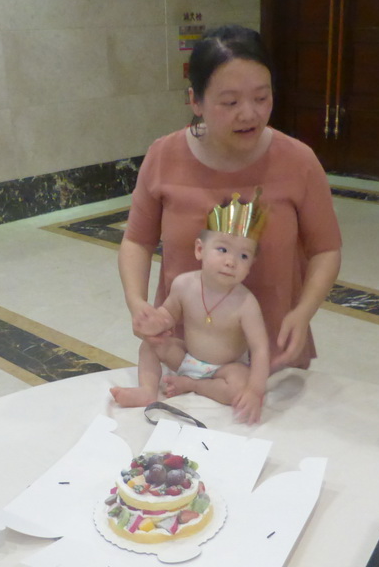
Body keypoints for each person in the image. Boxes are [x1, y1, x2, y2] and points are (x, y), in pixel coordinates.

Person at [117, 25, 342, 405]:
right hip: (180, 352)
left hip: (270, 353)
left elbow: (326, 250)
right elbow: (136, 240)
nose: (249, 113)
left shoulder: (298, 161)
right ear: (196, 101)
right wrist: (138, 303)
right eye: (230, 102)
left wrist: (303, 313)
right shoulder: (164, 156)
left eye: (261, 96)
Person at [112, 193, 271, 423]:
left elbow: (260, 350)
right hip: (186, 358)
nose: (231, 261)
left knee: (239, 385)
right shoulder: (184, 284)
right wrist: (154, 321)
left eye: (243, 255)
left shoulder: (246, 303)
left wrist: (255, 390)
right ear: (200, 250)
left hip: (224, 369)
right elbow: (168, 315)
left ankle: (193, 385)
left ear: (251, 265)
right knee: (150, 345)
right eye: (222, 250)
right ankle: (147, 390)